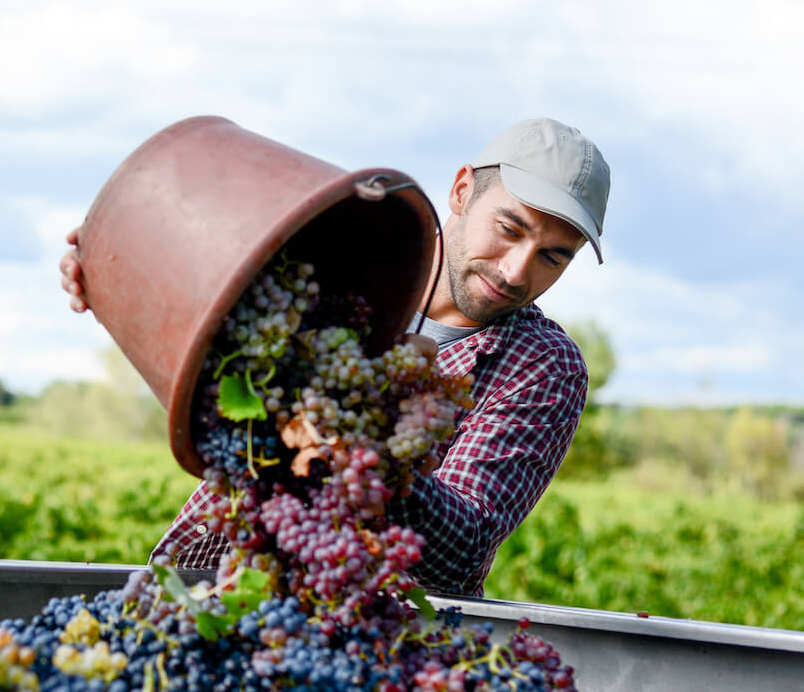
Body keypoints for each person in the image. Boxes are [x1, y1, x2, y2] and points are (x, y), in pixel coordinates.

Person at [60, 117, 610, 597]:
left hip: (364, 641)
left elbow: (462, 550)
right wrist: (114, 269)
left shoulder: (542, 366)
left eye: (552, 257)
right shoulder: (340, 262)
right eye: (509, 229)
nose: (517, 271)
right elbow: (208, 353)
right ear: (463, 191)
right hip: (210, 582)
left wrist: (364, 448)